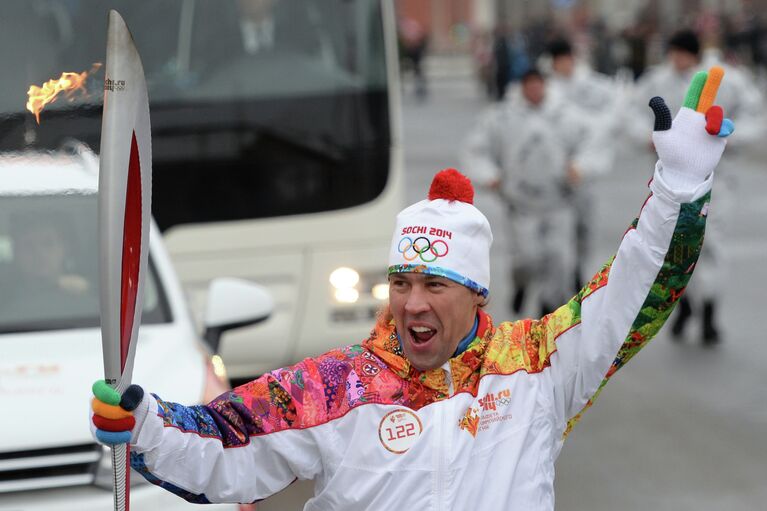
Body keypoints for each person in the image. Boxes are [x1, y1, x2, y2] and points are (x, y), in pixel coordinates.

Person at [91, 70, 732, 509]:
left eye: (434, 284)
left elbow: (635, 292)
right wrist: (143, 423)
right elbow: (224, 445)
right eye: (401, 282)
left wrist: (679, 187)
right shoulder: (336, 387)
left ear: (478, 293)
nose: (412, 303)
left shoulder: (539, 366)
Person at [631, 29, 763, 345]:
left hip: (716, 178)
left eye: (683, 53)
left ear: (695, 53)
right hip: (670, 182)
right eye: (673, 53)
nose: (677, 60)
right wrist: (649, 136)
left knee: (711, 244)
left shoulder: (726, 80)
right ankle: (684, 305)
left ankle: (709, 311)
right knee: (674, 244)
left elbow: (756, 114)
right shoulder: (656, 81)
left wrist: (729, 136)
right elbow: (629, 112)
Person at [461, 68, 595, 316]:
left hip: (559, 201)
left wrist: (580, 166)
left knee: (558, 258)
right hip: (521, 204)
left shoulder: (566, 115)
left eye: (538, 84)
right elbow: (477, 148)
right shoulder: (502, 116)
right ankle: (521, 284)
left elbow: (592, 143)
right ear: (522, 87)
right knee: (527, 258)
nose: (534, 90)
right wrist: (491, 175)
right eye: (529, 85)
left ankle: (549, 306)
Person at [545, 37, 626, 292]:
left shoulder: (594, 87)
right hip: (555, 178)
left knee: (585, 230)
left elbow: (609, 123)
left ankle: (579, 275)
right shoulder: (545, 90)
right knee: (557, 234)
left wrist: (584, 163)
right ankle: (558, 284)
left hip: (585, 173)